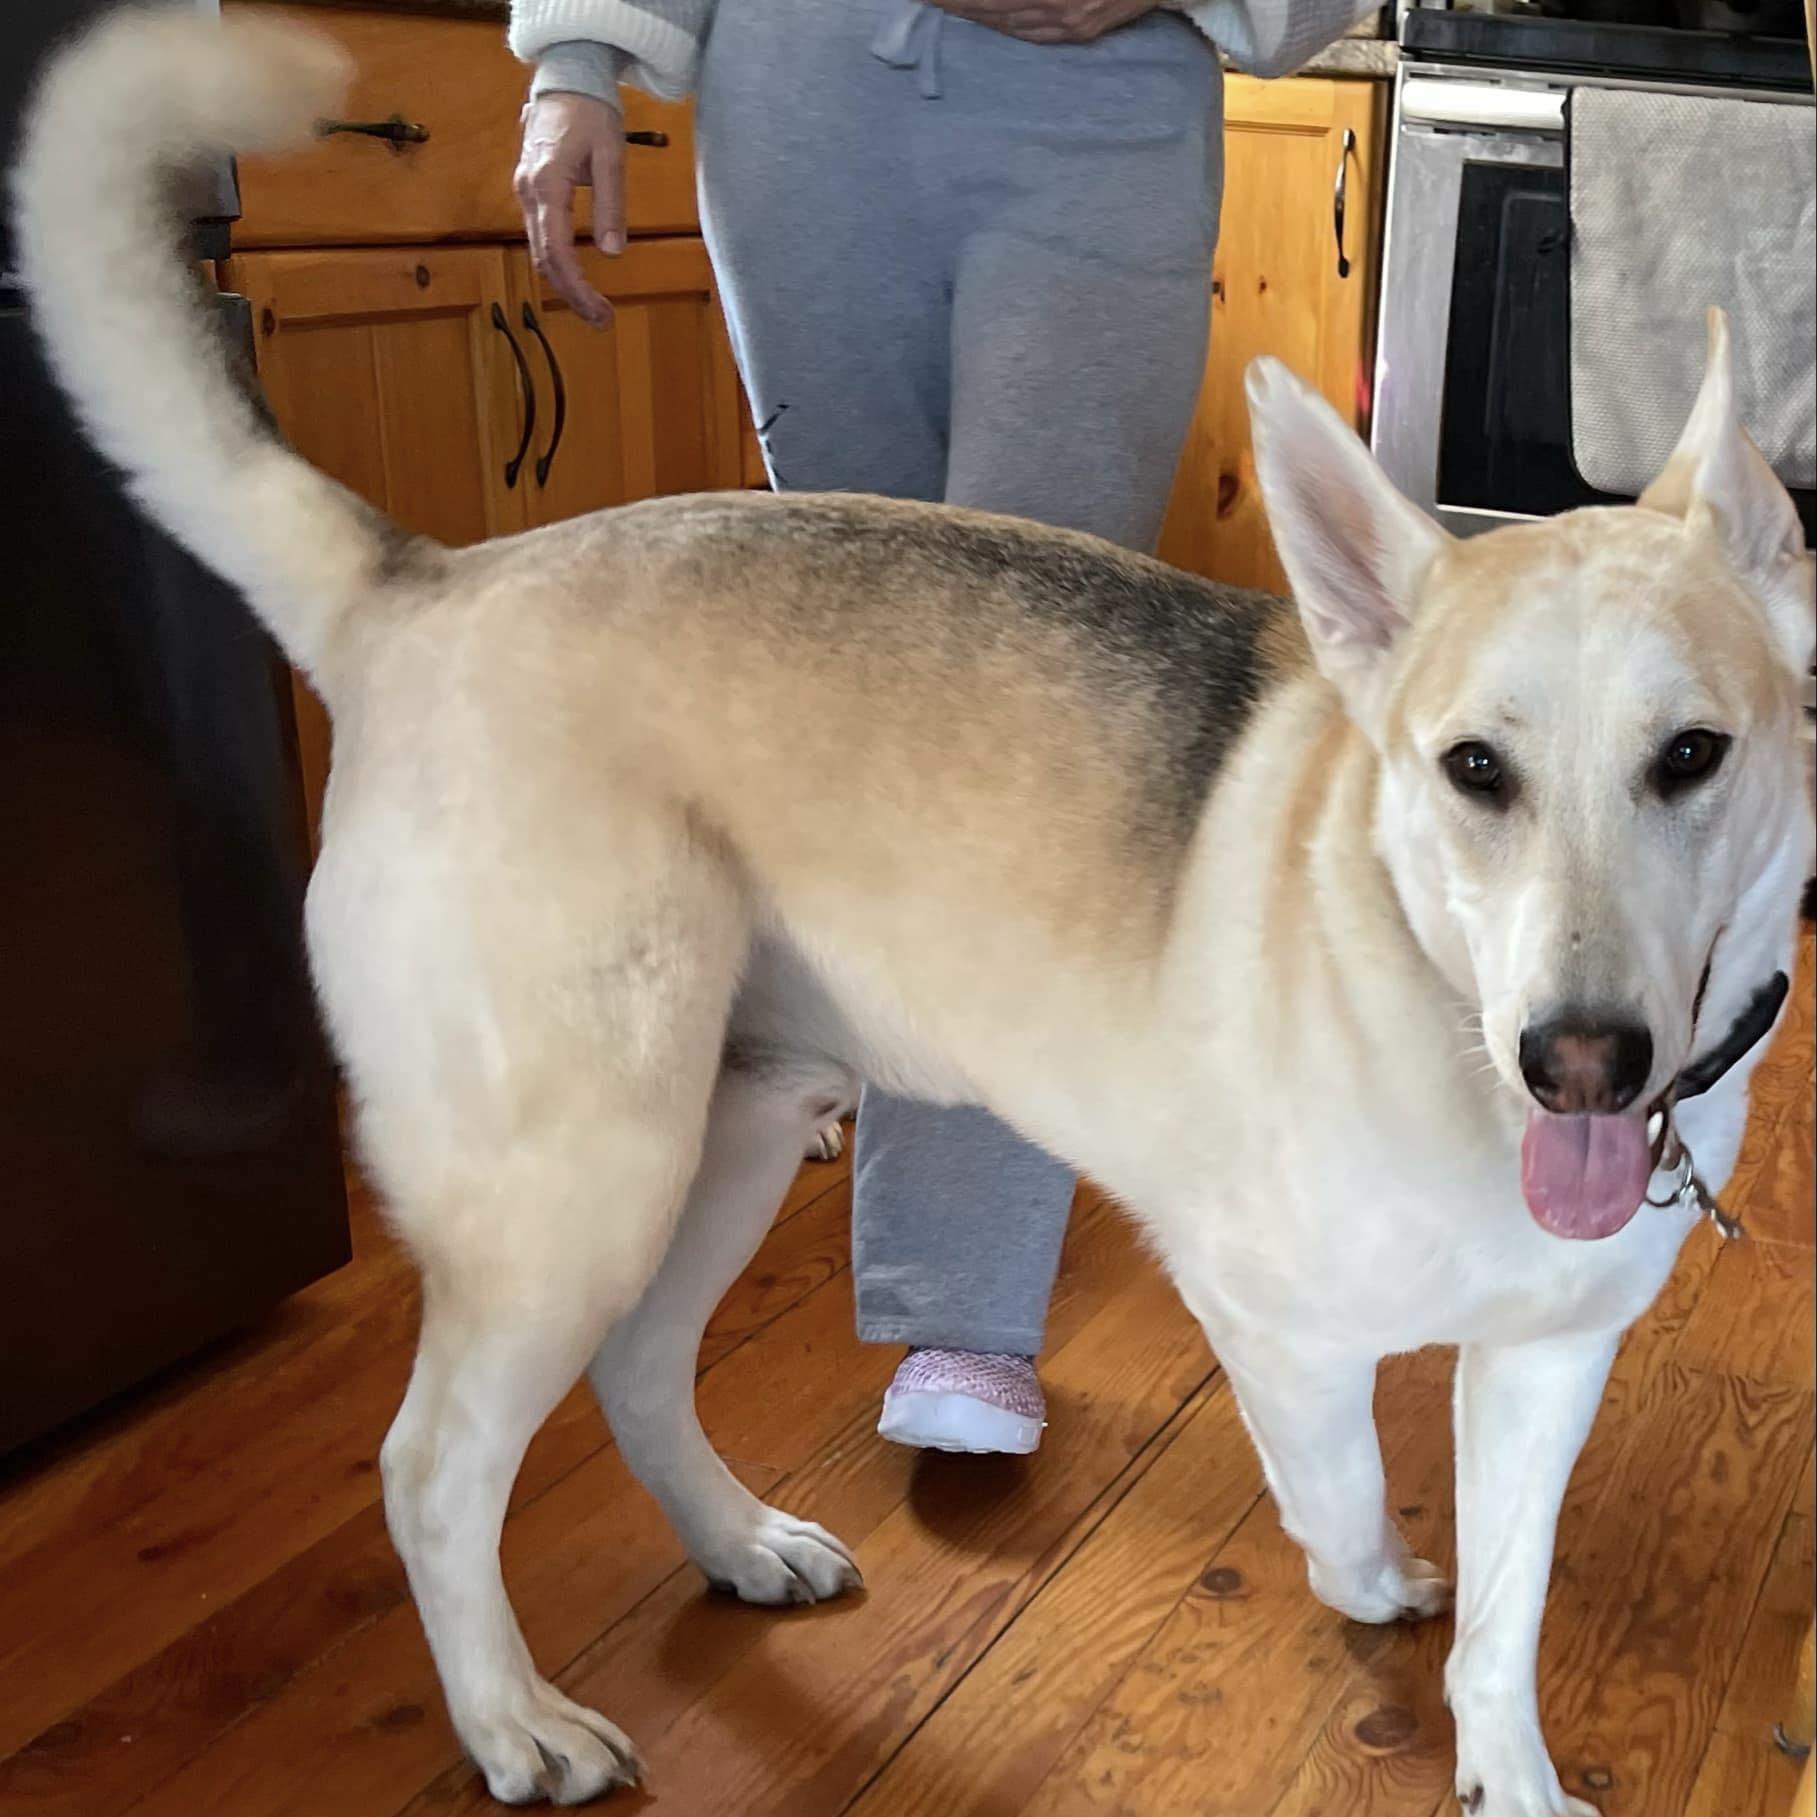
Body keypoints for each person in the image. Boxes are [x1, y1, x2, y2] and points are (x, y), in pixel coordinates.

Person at [508, 0, 1369, 1456]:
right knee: (874, 690)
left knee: (1026, 713)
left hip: (1102, 111)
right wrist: (573, 59)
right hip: (802, 102)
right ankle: (838, 1053)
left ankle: (964, 1304)